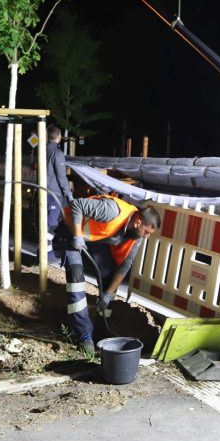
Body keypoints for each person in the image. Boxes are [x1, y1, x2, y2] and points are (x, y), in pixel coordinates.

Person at [54, 195, 161, 357]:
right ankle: (83, 334)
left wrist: (109, 293)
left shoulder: (136, 237)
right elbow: (77, 204)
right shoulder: (111, 211)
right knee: (76, 277)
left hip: (94, 241)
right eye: (146, 232)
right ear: (138, 222)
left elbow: (125, 265)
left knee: (110, 279)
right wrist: (76, 235)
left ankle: (101, 332)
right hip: (70, 233)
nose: (146, 237)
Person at [44, 125, 73, 261]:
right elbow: (61, 177)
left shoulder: (43, 149)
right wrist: (68, 194)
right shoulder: (57, 153)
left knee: (45, 222)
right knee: (51, 225)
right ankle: (48, 255)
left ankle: (44, 252)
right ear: (59, 136)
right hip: (53, 193)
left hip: (43, 190)